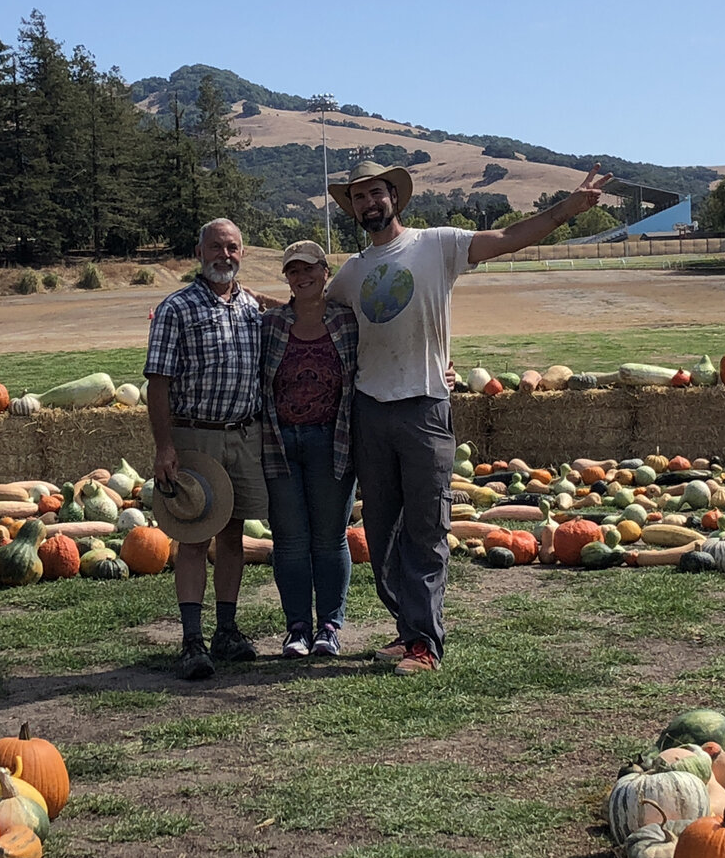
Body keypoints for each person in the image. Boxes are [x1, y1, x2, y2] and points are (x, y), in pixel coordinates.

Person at [327, 160, 611, 675]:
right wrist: (248, 301)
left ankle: (424, 645)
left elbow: (508, 237)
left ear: (395, 197)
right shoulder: (350, 273)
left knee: (426, 528)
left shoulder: (437, 245)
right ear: (353, 209)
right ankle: (408, 628)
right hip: (370, 411)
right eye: (359, 197)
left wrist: (567, 209)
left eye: (376, 193)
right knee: (383, 532)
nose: (369, 203)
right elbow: (309, 311)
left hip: (425, 407)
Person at [145, 217, 267, 680]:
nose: (224, 255)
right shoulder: (176, 308)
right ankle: (192, 640)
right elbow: (158, 383)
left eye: (232, 247)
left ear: (242, 253)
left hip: (244, 434)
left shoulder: (250, 306)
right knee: (194, 538)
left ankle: (227, 631)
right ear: (199, 253)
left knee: (233, 536)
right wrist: (164, 446)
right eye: (216, 247)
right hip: (195, 437)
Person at [259, 240, 359, 658]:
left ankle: (329, 627)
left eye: (309, 269)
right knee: (290, 541)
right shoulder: (270, 324)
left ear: (325, 271)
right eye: (293, 271)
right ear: (287, 278)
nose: (302, 277)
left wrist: (443, 367)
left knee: (330, 539)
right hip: (279, 443)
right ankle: (297, 628)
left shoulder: (348, 321)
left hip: (333, 441)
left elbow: (387, 351)